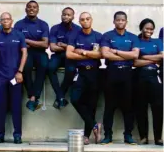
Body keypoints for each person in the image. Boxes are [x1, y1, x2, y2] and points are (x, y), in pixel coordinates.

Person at [99, 11, 140, 145]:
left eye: (123, 20)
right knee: (109, 106)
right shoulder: (107, 36)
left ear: (126, 22)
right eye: (118, 20)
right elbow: (105, 54)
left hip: (128, 74)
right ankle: (108, 135)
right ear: (114, 21)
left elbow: (135, 55)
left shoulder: (133, 37)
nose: (120, 22)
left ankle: (128, 135)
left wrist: (115, 51)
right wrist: (126, 55)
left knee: (128, 105)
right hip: (111, 72)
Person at [0, 12, 27, 144]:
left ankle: (17, 135)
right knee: (0, 106)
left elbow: (24, 53)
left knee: (16, 106)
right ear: (0, 22)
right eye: (2, 19)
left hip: (15, 76)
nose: (5, 21)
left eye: (7, 19)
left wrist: (20, 71)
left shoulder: (19, 34)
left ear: (11, 21)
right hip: (0, 76)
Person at [66, 12, 103, 145]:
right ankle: (95, 125)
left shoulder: (98, 36)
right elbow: (69, 54)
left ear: (91, 20)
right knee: (75, 99)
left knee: (91, 104)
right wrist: (90, 55)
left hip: (95, 73)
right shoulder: (74, 35)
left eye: (87, 19)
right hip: (80, 72)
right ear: (79, 22)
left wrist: (82, 52)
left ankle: (86, 136)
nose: (85, 21)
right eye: (82, 19)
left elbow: (101, 55)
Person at [14, 0, 49, 112]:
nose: (32, 9)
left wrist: (27, 40)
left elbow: (45, 44)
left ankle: (35, 96)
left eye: (34, 7)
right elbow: (16, 42)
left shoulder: (43, 24)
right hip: (25, 52)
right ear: (26, 9)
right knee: (26, 67)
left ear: (38, 10)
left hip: (40, 52)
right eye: (29, 7)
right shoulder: (19, 24)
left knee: (44, 65)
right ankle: (32, 96)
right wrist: (33, 43)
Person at [134, 18, 163, 145]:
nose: (149, 31)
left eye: (151, 29)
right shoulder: (136, 41)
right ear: (141, 28)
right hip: (140, 77)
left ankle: (158, 138)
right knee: (141, 107)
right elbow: (135, 61)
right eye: (147, 28)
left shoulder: (158, 41)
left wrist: (143, 57)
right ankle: (143, 136)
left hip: (155, 77)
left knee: (158, 107)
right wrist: (153, 60)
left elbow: (162, 56)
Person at [47, 7, 81, 109]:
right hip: (58, 56)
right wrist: (69, 47)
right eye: (64, 14)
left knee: (71, 70)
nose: (66, 16)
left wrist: (63, 45)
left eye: (68, 15)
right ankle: (61, 96)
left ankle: (60, 97)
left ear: (73, 17)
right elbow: (52, 47)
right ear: (61, 15)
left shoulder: (78, 30)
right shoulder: (55, 28)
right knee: (50, 68)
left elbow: (78, 49)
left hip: (70, 57)